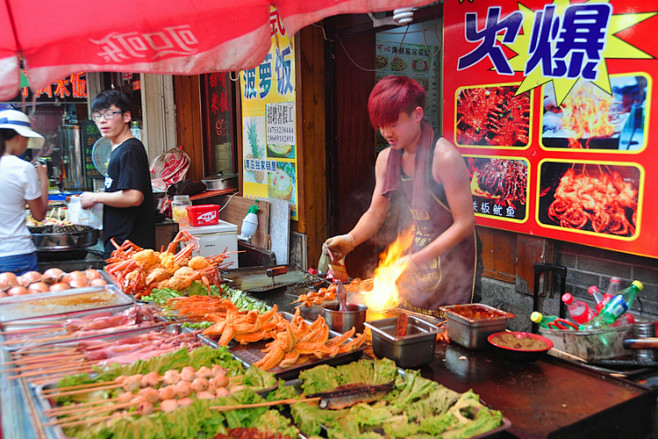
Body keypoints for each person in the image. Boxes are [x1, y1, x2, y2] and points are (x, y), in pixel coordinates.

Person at [324, 75, 481, 316]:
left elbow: (465, 224)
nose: (386, 132)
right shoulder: (386, 159)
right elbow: (377, 211)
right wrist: (351, 239)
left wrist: (416, 260)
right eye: (380, 125)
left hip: (453, 265)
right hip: (413, 257)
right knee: (404, 324)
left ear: (417, 115)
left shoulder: (445, 158)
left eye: (393, 123)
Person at [80, 90, 155, 259]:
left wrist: (95, 197)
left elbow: (134, 197)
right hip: (120, 245)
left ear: (126, 116)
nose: (102, 120)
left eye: (109, 114)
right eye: (98, 115)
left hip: (130, 249)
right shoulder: (118, 149)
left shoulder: (130, 149)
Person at [0, 109, 49, 274]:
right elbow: (39, 215)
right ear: (20, 137)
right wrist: (44, 180)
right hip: (16, 253)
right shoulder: (22, 168)